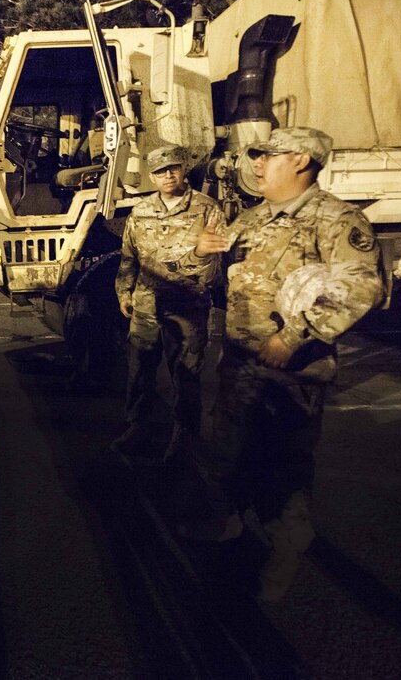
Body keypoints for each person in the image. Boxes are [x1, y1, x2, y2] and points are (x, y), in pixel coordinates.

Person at [182, 127, 384, 601]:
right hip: (239, 362)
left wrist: (292, 338)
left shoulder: (336, 220)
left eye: (266, 156)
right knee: (228, 451)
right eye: (255, 156)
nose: (255, 164)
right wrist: (202, 252)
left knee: (284, 468)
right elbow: (209, 274)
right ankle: (228, 524)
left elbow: (361, 288)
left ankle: (288, 549)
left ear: (300, 161)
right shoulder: (252, 220)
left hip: (290, 372)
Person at [113, 144, 224, 462]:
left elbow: (214, 265)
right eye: (160, 171)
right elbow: (128, 257)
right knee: (139, 370)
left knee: (185, 375)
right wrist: (124, 292)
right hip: (146, 305)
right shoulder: (141, 211)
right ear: (151, 176)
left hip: (187, 306)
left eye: (173, 168)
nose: (167, 175)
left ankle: (185, 437)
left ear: (183, 170)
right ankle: (138, 427)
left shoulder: (207, 210)